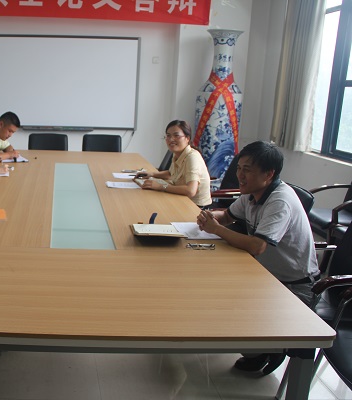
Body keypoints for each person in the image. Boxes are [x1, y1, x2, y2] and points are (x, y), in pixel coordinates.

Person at [196, 140, 320, 375]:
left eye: (247, 170)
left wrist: (216, 229)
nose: (240, 176)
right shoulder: (252, 193)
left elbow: (257, 246)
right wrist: (210, 217)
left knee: (232, 314)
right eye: (239, 168)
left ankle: (273, 348)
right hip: (265, 275)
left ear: (268, 174)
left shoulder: (280, 201)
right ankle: (262, 348)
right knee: (214, 295)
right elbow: (228, 216)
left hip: (293, 287)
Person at [135, 120, 212, 207]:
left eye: (176, 135)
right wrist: (151, 174)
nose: (171, 139)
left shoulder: (192, 157)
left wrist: (161, 186)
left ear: (187, 138)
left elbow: (190, 191)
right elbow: (170, 173)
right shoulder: (177, 153)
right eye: (168, 136)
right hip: (181, 199)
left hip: (196, 207)